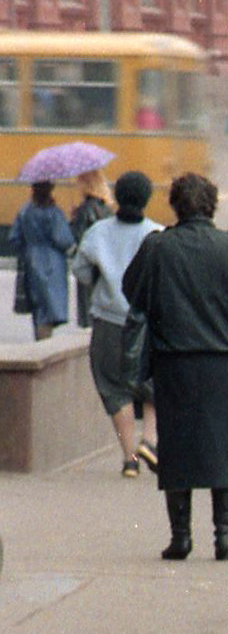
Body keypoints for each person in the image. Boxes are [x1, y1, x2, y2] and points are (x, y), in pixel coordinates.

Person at [122, 173, 228, 562]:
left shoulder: (159, 248)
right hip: (223, 364)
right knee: (224, 446)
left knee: (178, 447)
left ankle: (181, 537)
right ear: (212, 205)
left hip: (174, 363)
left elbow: (131, 291)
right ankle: (224, 535)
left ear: (175, 205)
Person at [71, 171, 161, 477]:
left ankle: (128, 459)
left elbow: (81, 270)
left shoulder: (98, 232)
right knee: (153, 384)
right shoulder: (156, 233)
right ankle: (149, 440)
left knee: (114, 388)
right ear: (147, 198)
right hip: (146, 322)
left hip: (108, 321)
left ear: (116, 196)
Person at [10, 180, 73, 340]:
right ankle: (44, 342)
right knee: (50, 305)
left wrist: (28, 247)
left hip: (31, 259)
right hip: (53, 262)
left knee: (38, 304)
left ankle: (40, 335)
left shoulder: (24, 211)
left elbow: (14, 238)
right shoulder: (54, 213)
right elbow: (63, 239)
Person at [69, 168, 114, 327]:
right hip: (105, 264)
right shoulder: (107, 209)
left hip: (89, 264)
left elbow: (79, 237)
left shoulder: (86, 208)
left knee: (88, 315)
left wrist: (73, 220)